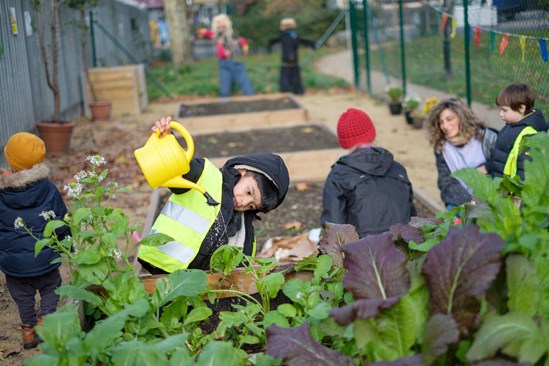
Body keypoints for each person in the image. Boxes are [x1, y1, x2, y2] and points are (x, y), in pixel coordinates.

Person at [137, 116, 289, 273]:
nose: (244, 202)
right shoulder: (204, 175)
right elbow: (179, 168)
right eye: (249, 191)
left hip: (199, 288)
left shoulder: (245, 233)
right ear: (242, 170)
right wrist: (167, 141)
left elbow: (238, 273)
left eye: (252, 205)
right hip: (162, 267)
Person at [0, 132, 70, 349]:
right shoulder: (47, 188)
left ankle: (28, 333)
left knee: (23, 297)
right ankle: (44, 321)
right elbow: (61, 219)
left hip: (14, 265)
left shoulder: (1, 192)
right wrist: (67, 244)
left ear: (10, 161)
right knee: (52, 287)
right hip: (45, 258)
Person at [321, 108, 417, 238]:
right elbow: (412, 216)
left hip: (364, 252)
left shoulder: (339, 175)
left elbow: (334, 227)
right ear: (371, 134)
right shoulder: (398, 169)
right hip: (404, 247)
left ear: (344, 142)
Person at [426, 98, 498, 210]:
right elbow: (446, 183)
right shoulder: (442, 148)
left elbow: (503, 164)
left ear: (461, 117)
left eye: (449, 119)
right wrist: (470, 203)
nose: (445, 126)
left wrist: (487, 167)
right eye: (441, 122)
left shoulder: (487, 137)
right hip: (465, 201)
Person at [486, 83, 548, 179]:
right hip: (500, 184)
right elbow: (502, 155)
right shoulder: (512, 125)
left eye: (504, 110)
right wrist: (488, 167)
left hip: (511, 190)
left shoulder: (528, 135)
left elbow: (525, 169)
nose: (501, 114)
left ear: (521, 108)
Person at [267, 18, 316, 95]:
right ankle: (288, 91)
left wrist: (311, 44)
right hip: (289, 58)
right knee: (288, 77)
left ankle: (296, 91)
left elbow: (300, 40)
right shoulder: (285, 35)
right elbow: (288, 45)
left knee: (293, 77)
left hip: (292, 60)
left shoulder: (293, 35)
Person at [210, 14, 254, 97]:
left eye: (221, 22)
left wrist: (243, 48)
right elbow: (218, 46)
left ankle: (253, 102)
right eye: (217, 22)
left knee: (245, 86)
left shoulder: (233, 32)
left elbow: (241, 42)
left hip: (236, 62)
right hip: (223, 63)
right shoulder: (216, 35)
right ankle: (225, 105)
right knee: (224, 89)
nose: (219, 24)